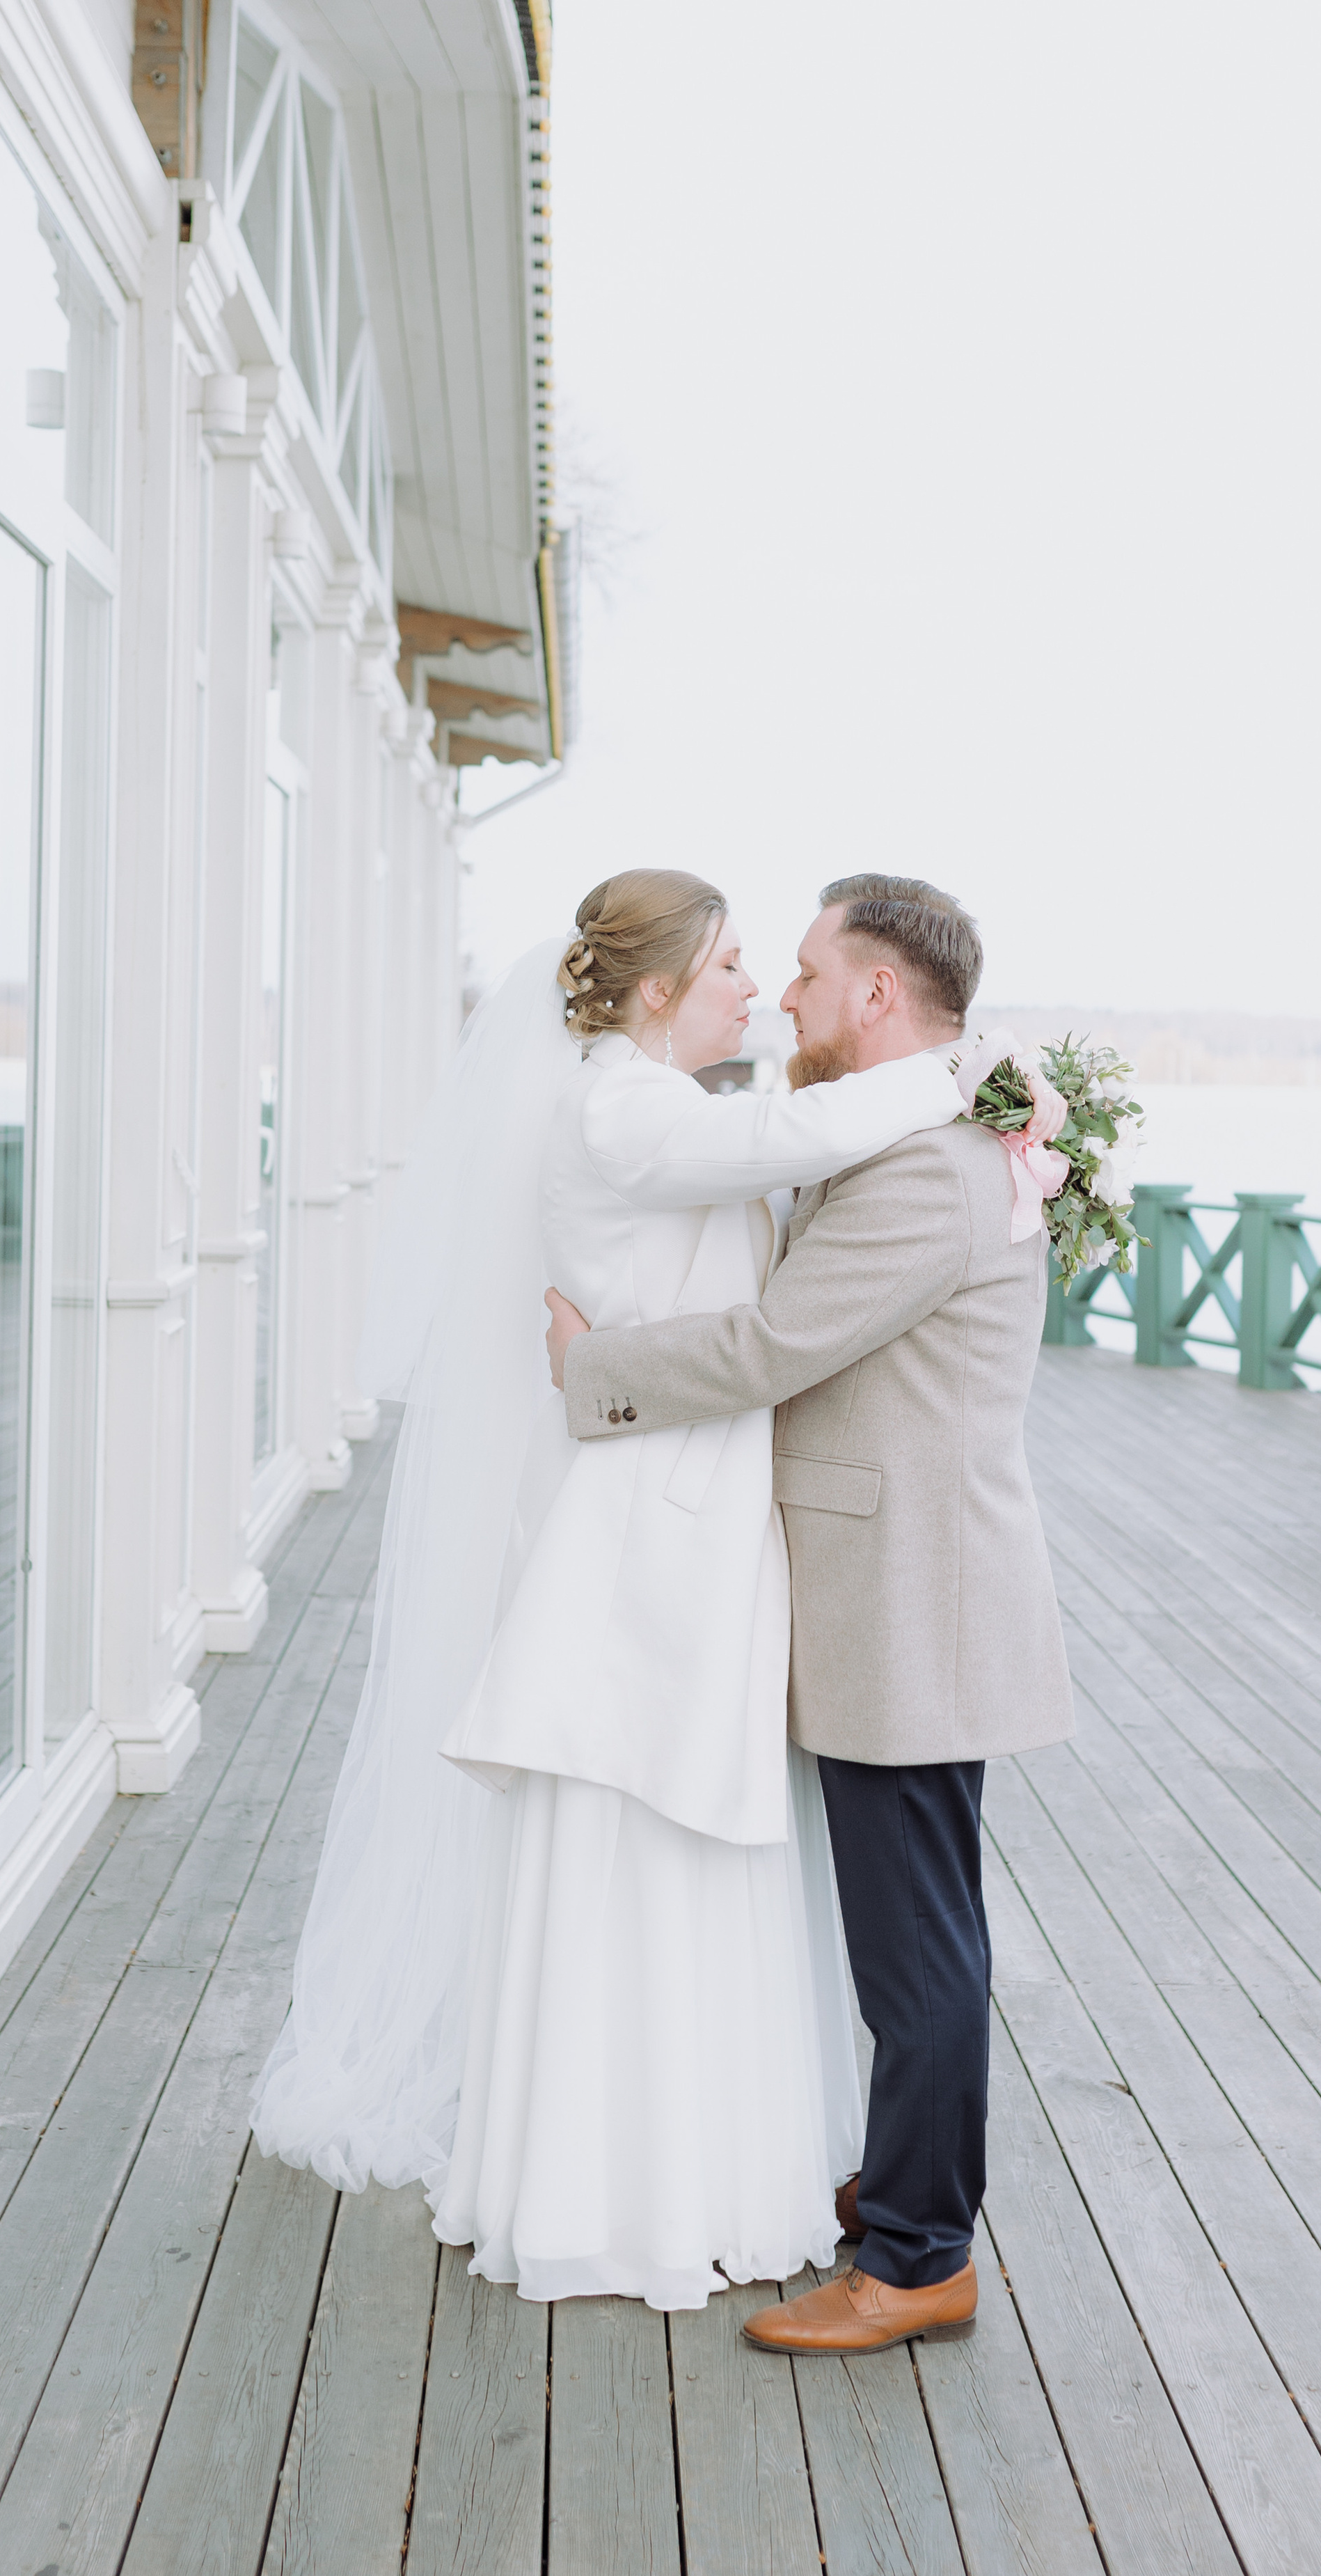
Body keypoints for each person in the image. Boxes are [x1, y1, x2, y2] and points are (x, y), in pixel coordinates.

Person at [251, 867, 974, 2311]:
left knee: (675, 1851)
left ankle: (675, 2163)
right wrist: (988, 1094)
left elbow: (789, 1146)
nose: (758, 994)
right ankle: (617, 2184)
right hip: (653, 1514)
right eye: (729, 970)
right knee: (635, 1841)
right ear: (658, 992)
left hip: (687, 1508)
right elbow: (806, 1132)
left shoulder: (656, 1107)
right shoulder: (625, 1109)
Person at [544, 875, 1074, 2354]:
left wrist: (597, 1368)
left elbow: (782, 1341)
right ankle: (912, 2188)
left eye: (802, 971)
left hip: (912, 1599)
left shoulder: (926, 1170)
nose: (781, 995)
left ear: (878, 998)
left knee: (914, 1947)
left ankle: (914, 2260)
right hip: (905, 1587)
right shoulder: (939, 1129)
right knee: (924, 1927)